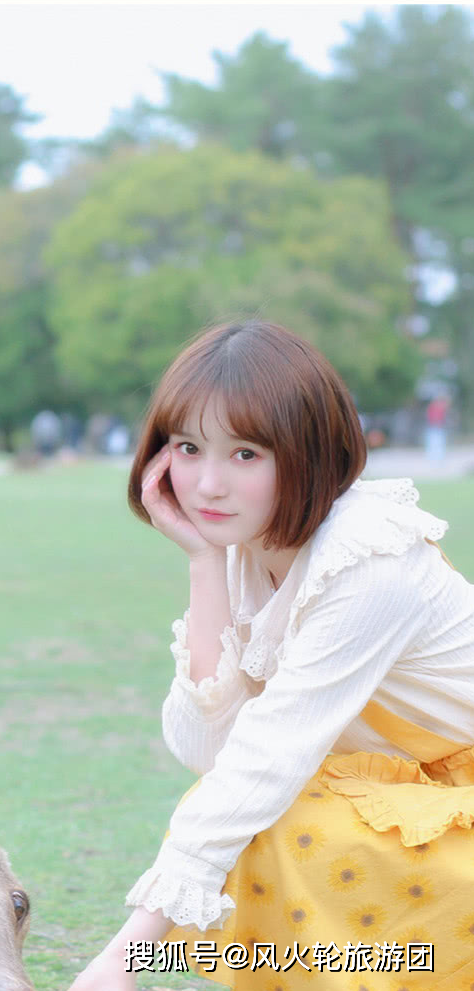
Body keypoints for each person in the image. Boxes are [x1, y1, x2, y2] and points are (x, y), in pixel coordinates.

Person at [68, 321, 474, 991]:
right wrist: (203, 562)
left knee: (285, 821)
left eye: (246, 453)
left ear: (309, 452)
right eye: (189, 447)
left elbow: (265, 760)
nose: (207, 485)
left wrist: (124, 957)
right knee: (265, 816)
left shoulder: (368, 558)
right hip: (419, 791)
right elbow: (207, 748)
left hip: (452, 797)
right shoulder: (243, 549)